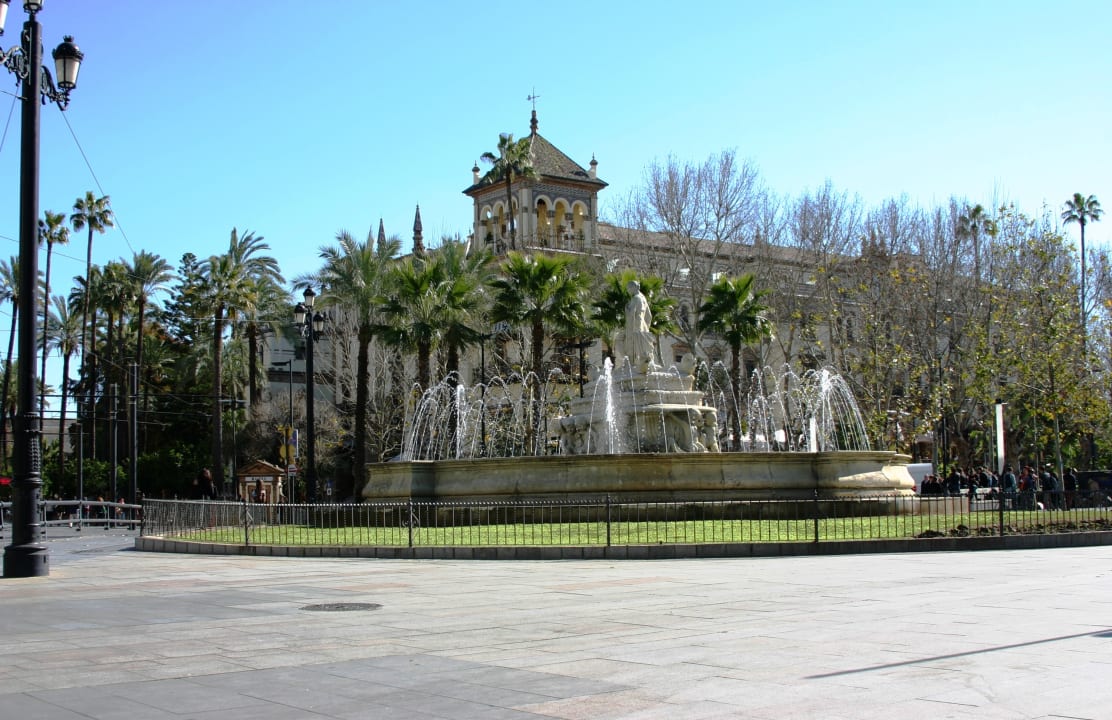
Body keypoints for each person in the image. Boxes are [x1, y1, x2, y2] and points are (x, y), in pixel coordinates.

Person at [623, 280, 656, 370]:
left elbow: (632, 313)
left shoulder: (636, 298)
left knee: (633, 347)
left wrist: (627, 309)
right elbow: (649, 315)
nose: (628, 291)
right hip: (643, 327)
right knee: (643, 349)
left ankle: (634, 365)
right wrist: (646, 326)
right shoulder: (643, 298)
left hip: (635, 327)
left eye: (629, 288)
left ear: (634, 287)